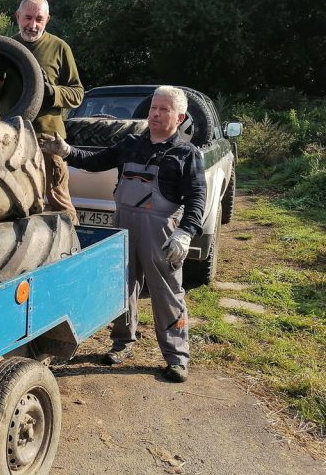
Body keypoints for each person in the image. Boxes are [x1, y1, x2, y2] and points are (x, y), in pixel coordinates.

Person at [38, 86, 206, 383]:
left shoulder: (186, 154)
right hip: (123, 224)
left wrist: (185, 232)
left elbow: (196, 198)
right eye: (154, 107)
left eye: (164, 109)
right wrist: (65, 152)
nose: (155, 113)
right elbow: (94, 161)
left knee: (168, 294)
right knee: (122, 285)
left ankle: (177, 356)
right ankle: (122, 342)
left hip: (161, 231)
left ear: (179, 117)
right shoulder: (130, 144)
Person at [0, 0, 84, 224]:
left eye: (39, 19)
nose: (32, 24)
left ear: (47, 20)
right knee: (14, 201)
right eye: (28, 17)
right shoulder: (5, 48)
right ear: (18, 16)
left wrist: (52, 92)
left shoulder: (59, 48)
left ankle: (77, 252)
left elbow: (77, 94)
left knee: (57, 199)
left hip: (47, 139)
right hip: (9, 139)